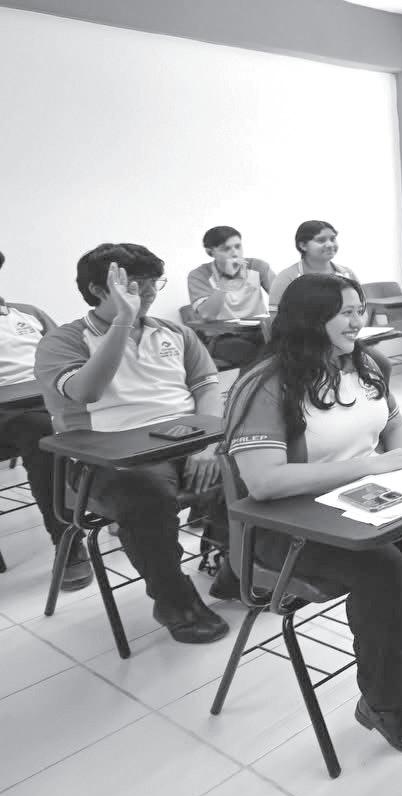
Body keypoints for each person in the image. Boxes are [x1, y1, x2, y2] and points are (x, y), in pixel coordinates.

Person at [224, 274, 402, 753]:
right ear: (311, 319)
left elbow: (394, 428)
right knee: (384, 573)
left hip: (365, 500)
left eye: (359, 309)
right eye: (345, 312)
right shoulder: (265, 384)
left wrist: (401, 467)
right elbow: (263, 482)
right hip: (288, 525)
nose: (358, 320)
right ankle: (387, 703)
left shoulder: (364, 363)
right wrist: (369, 467)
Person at [34, 243, 234, 644]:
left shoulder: (175, 332)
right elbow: (87, 391)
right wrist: (123, 322)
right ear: (98, 290)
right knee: (144, 493)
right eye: (134, 286)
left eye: (152, 283)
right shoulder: (62, 342)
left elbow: (208, 389)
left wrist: (208, 445)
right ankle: (174, 600)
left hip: (188, 441)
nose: (148, 294)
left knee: (254, 466)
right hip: (108, 459)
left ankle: (238, 568)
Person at [0, 252, 80, 588]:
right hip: (7, 413)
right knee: (42, 432)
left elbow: (68, 353)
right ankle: (69, 543)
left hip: (43, 400)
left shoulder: (28, 313)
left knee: (103, 411)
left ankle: (118, 509)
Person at [185, 226, 275, 368]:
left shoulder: (257, 266)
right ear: (210, 252)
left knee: (291, 344)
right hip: (222, 336)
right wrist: (225, 281)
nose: (235, 253)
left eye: (238, 247)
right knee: (254, 353)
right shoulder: (199, 275)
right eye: (226, 249)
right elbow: (207, 315)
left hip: (260, 331)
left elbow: (283, 297)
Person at [270, 220, 357, 313]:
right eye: (321, 240)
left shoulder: (347, 274)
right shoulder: (287, 278)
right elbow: (275, 315)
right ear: (303, 245)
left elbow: (361, 309)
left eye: (333, 239)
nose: (330, 245)